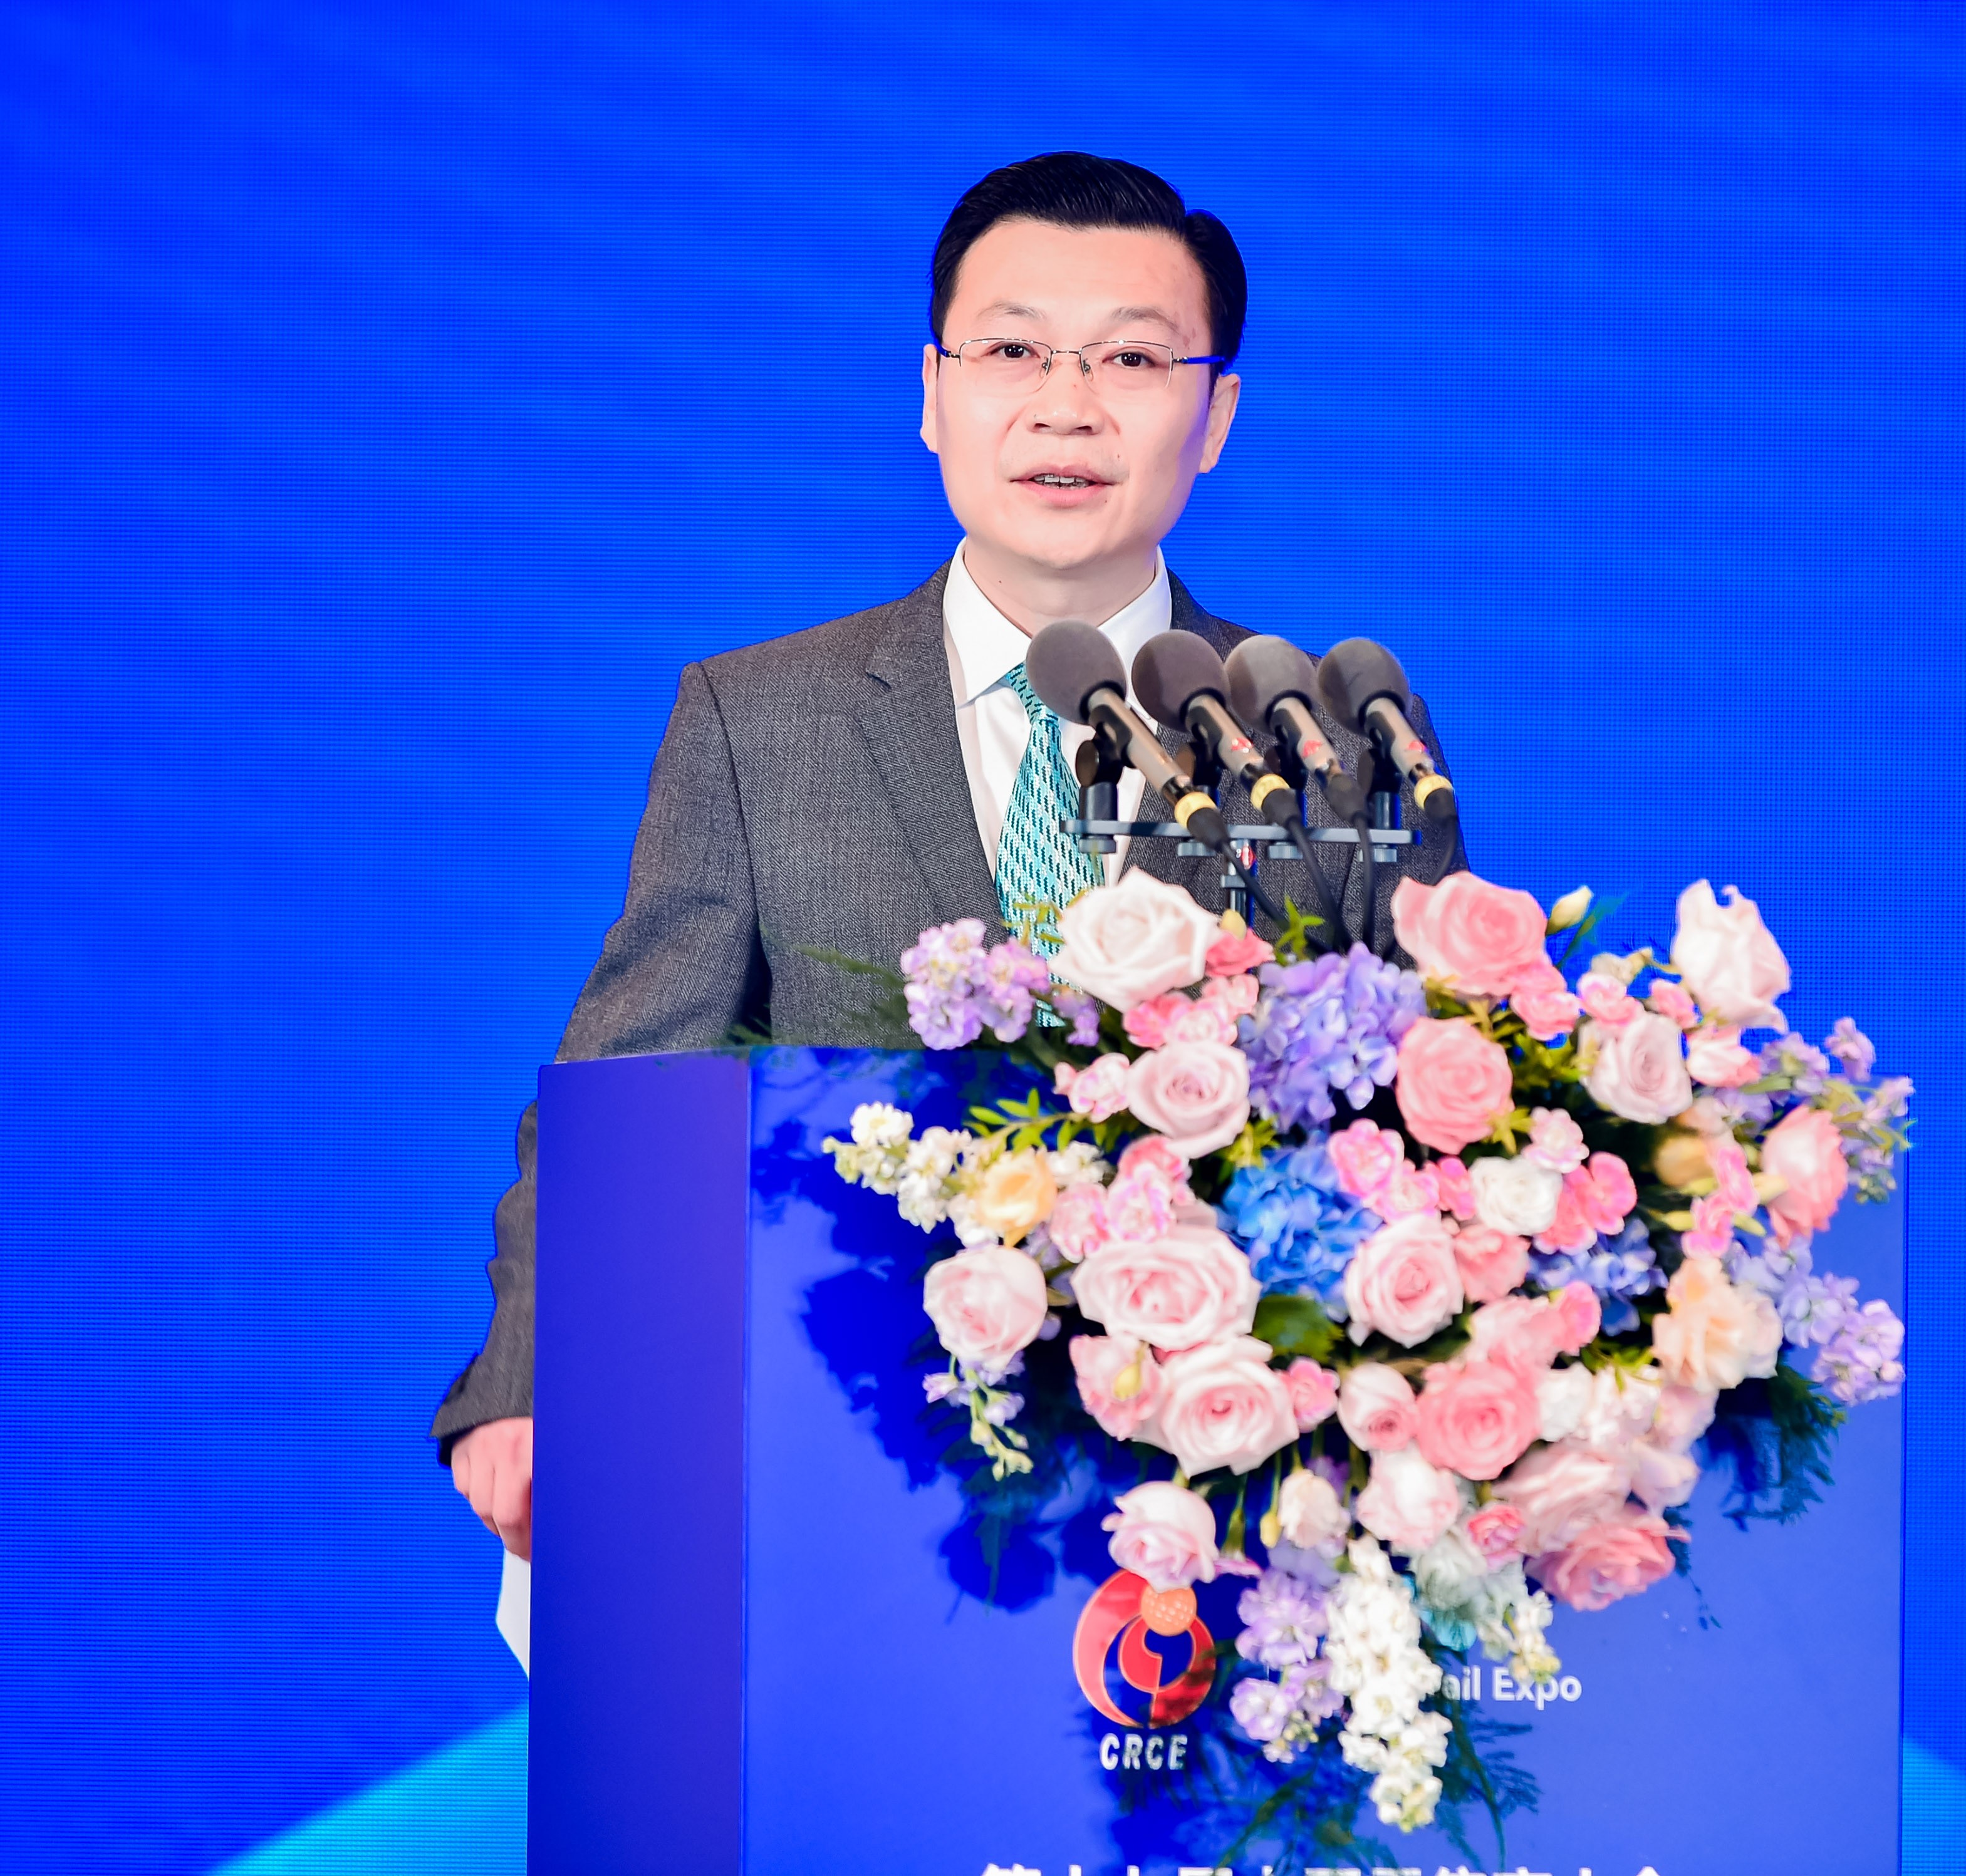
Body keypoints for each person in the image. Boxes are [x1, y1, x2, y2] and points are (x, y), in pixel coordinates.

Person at [437, 152, 1467, 1560]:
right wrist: (534, 1378)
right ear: (933, 392)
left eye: (1132, 359)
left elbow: (1441, 1120)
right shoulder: (762, 719)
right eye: (1013, 350)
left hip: (1230, 1489)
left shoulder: (1329, 732)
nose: (1066, 404)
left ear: (1216, 415)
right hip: (835, 1462)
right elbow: (632, 1084)